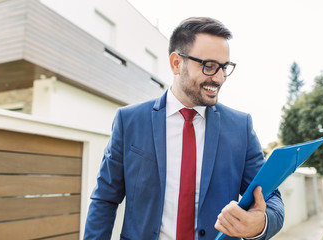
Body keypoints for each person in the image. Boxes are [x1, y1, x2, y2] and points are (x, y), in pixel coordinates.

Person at [84, 17, 284, 240]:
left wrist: (260, 224)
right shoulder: (129, 121)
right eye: (209, 66)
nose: (218, 78)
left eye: (224, 67)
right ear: (177, 63)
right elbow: (105, 198)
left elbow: (271, 197)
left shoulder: (240, 127)